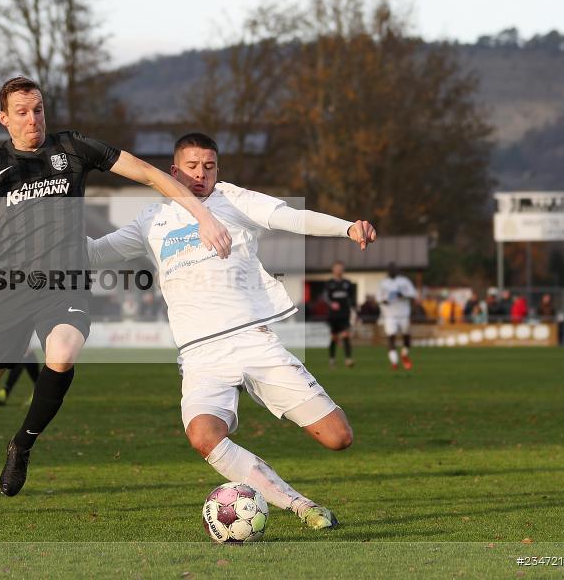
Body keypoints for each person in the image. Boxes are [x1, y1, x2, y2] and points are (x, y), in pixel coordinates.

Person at [0, 77, 232, 510]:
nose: (33, 119)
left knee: (63, 352)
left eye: (38, 109)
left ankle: (21, 445)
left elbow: (148, 174)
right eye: (22, 112)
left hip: (64, 283)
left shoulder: (72, 147)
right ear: (4, 118)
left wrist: (202, 215)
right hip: (9, 289)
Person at [88, 132, 376, 530]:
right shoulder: (151, 220)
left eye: (209, 166)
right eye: (192, 166)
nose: (201, 174)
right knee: (203, 435)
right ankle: (301, 506)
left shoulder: (233, 200)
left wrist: (347, 228)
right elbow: (95, 253)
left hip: (253, 341)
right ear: (173, 171)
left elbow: (291, 217)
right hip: (201, 356)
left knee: (338, 437)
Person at [378, 262, 417, 370]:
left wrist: (403, 295)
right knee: (391, 337)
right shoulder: (383, 283)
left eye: (394, 269)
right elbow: (379, 297)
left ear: (397, 270)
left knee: (406, 337)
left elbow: (413, 294)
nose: (392, 271)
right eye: (390, 269)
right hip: (390, 315)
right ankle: (394, 362)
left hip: (403, 314)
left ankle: (404, 354)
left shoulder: (404, 281)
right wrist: (384, 301)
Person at [323, 261, 355, 368]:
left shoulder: (347, 283)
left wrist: (354, 309)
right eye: (337, 268)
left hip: (344, 314)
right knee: (334, 337)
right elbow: (325, 297)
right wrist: (331, 304)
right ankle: (332, 359)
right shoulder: (329, 283)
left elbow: (351, 298)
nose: (339, 270)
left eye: (341, 268)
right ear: (333, 270)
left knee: (346, 335)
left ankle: (348, 359)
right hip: (333, 315)